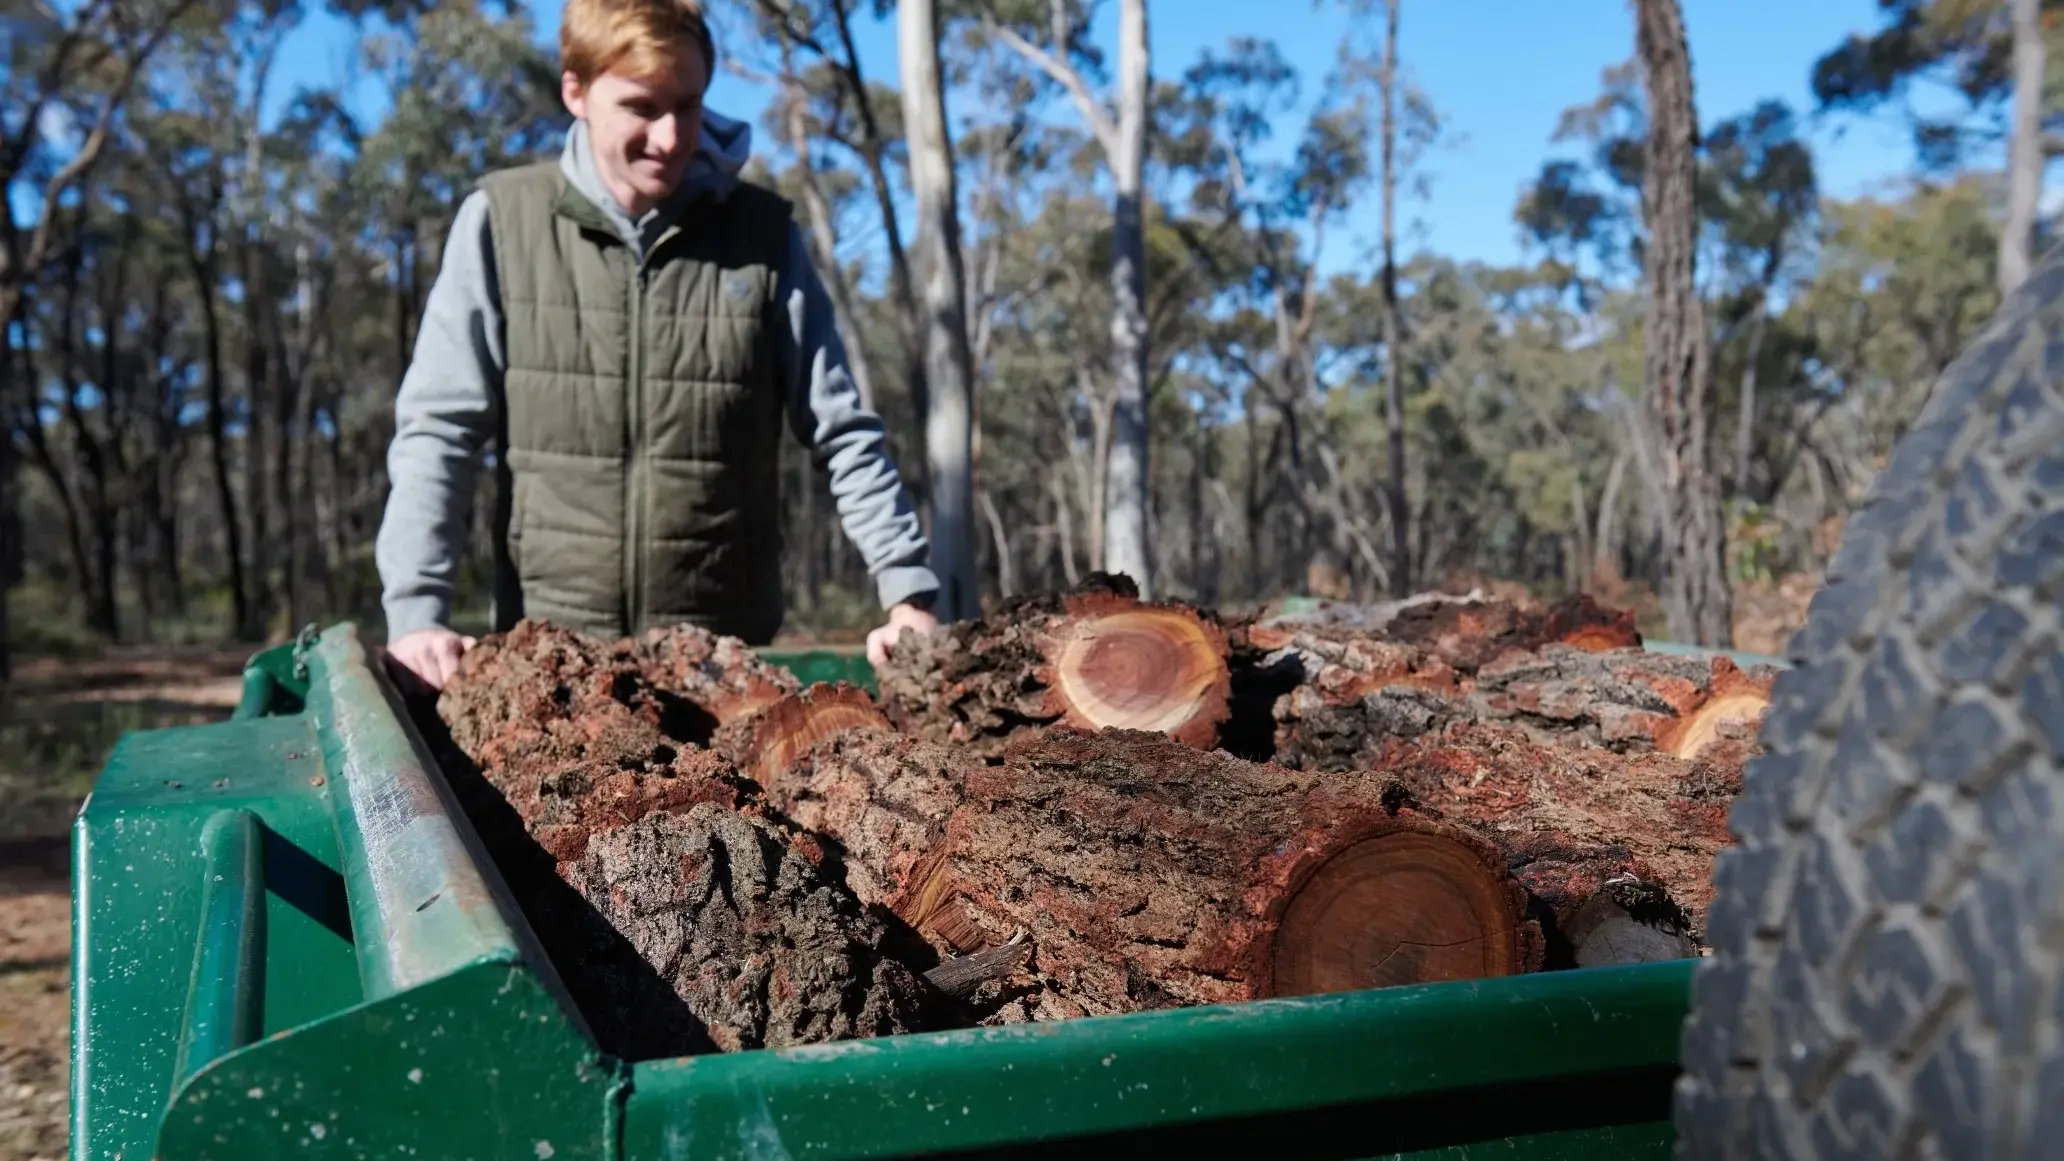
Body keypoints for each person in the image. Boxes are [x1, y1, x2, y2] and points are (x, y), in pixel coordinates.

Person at [374, 0, 939, 691]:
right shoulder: (501, 224)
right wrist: (416, 613)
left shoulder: (762, 238)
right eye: (642, 107)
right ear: (575, 91)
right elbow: (440, 432)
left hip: (728, 671)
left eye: (689, 105)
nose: (671, 138)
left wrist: (908, 593)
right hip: (548, 667)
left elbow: (842, 429)